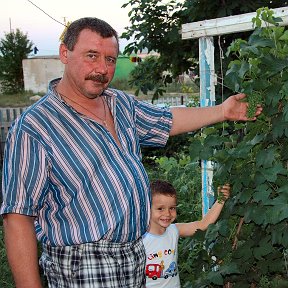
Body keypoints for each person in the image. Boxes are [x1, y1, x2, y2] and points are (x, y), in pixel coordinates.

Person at [0, 17, 261, 288]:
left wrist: (223, 111)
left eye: (110, 59)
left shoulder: (120, 104)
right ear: (65, 53)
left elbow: (167, 120)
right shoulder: (35, 126)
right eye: (92, 56)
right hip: (82, 269)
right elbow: (17, 218)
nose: (102, 68)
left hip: (134, 260)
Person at [144, 180, 231, 288]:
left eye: (172, 208)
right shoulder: (139, 239)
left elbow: (203, 224)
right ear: (147, 208)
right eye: (160, 208)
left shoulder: (174, 230)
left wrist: (221, 200)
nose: (167, 213)